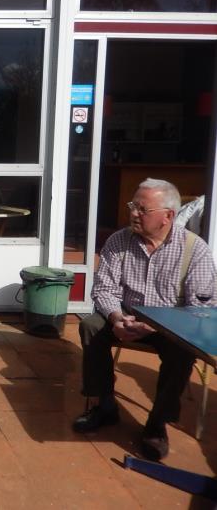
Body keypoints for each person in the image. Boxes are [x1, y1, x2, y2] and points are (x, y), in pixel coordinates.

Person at [73, 178, 216, 461]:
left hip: (170, 326)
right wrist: (116, 319)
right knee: (91, 326)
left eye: (142, 209)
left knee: (183, 351)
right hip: (125, 316)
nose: (134, 214)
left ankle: (157, 424)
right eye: (133, 206)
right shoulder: (118, 241)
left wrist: (157, 324)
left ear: (168, 216)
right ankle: (105, 404)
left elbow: (203, 307)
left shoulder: (194, 249)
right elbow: (104, 289)